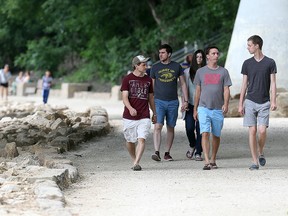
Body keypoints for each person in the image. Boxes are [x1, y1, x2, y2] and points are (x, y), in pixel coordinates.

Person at [238, 35, 277, 171]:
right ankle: (254, 161)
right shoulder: (247, 63)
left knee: (262, 131)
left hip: (264, 102)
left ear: (257, 46)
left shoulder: (270, 62)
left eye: (249, 45)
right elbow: (244, 85)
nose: (247, 47)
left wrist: (273, 100)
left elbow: (273, 83)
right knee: (252, 130)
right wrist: (240, 103)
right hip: (250, 101)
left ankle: (261, 151)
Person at [193, 46, 232, 170]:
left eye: (217, 53)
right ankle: (206, 160)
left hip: (217, 108)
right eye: (213, 53)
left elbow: (226, 89)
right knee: (204, 133)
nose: (216, 55)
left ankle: (213, 158)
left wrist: (226, 104)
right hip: (203, 107)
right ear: (207, 56)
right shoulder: (200, 72)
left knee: (216, 135)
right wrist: (195, 108)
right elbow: (197, 91)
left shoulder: (223, 72)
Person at [150, 44, 188, 161]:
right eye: (160, 52)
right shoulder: (155, 68)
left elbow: (183, 84)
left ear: (169, 54)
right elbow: (152, 87)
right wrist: (151, 105)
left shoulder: (177, 66)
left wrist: (185, 101)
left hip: (173, 101)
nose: (160, 55)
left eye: (163, 53)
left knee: (170, 127)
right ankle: (157, 152)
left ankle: (167, 152)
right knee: (158, 126)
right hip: (159, 101)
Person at [120, 55, 156, 171]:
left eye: (146, 64)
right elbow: (124, 97)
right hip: (129, 116)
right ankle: (134, 159)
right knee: (130, 141)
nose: (146, 66)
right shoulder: (127, 79)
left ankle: (136, 162)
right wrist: (130, 108)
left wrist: (154, 113)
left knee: (141, 139)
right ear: (136, 66)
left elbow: (151, 98)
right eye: (143, 64)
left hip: (144, 115)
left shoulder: (148, 80)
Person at [182, 49, 206, 161]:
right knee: (189, 128)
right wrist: (184, 101)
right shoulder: (187, 72)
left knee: (200, 128)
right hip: (190, 104)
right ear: (194, 59)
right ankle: (192, 144)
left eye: (201, 57)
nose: (199, 59)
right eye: (197, 57)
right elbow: (184, 88)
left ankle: (198, 152)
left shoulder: (207, 72)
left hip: (203, 104)